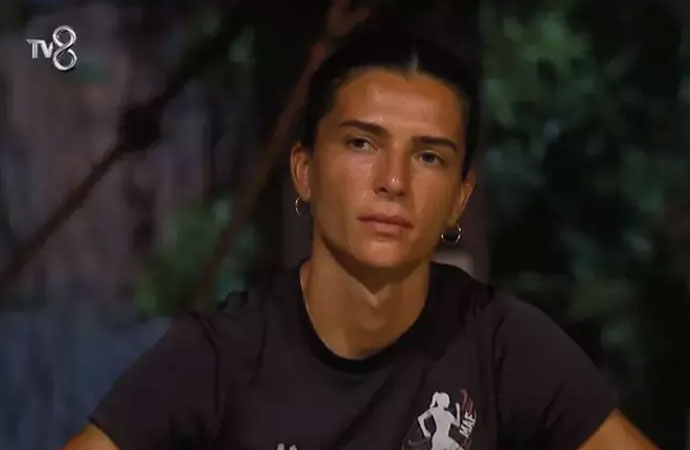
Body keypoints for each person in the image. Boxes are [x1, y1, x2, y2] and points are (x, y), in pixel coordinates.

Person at [63, 29, 659, 450]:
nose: (393, 182)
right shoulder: (220, 358)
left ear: (459, 197)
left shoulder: (500, 344)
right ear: (305, 172)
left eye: (428, 156)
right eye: (362, 144)